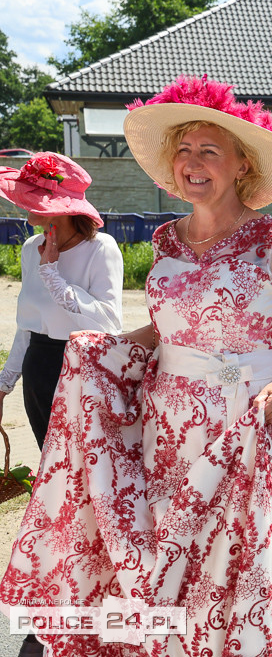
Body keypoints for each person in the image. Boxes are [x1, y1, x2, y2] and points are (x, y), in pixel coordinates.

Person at [0, 76, 272, 654]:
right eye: (184, 151)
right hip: (165, 434)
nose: (193, 162)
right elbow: (164, 332)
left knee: (235, 567)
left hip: (241, 428)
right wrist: (97, 351)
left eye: (210, 151)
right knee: (169, 567)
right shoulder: (165, 242)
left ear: (241, 167)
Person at [0, 152, 123, 657]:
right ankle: (52, 595)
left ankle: (90, 591)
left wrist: (56, 276)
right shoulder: (31, 247)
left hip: (87, 369)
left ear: (69, 207)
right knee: (53, 485)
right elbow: (28, 321)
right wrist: (5, 380)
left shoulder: (103, 249)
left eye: (39, 203)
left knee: (82, 486)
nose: (29, 213)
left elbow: (109, 322)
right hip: (42, 370)